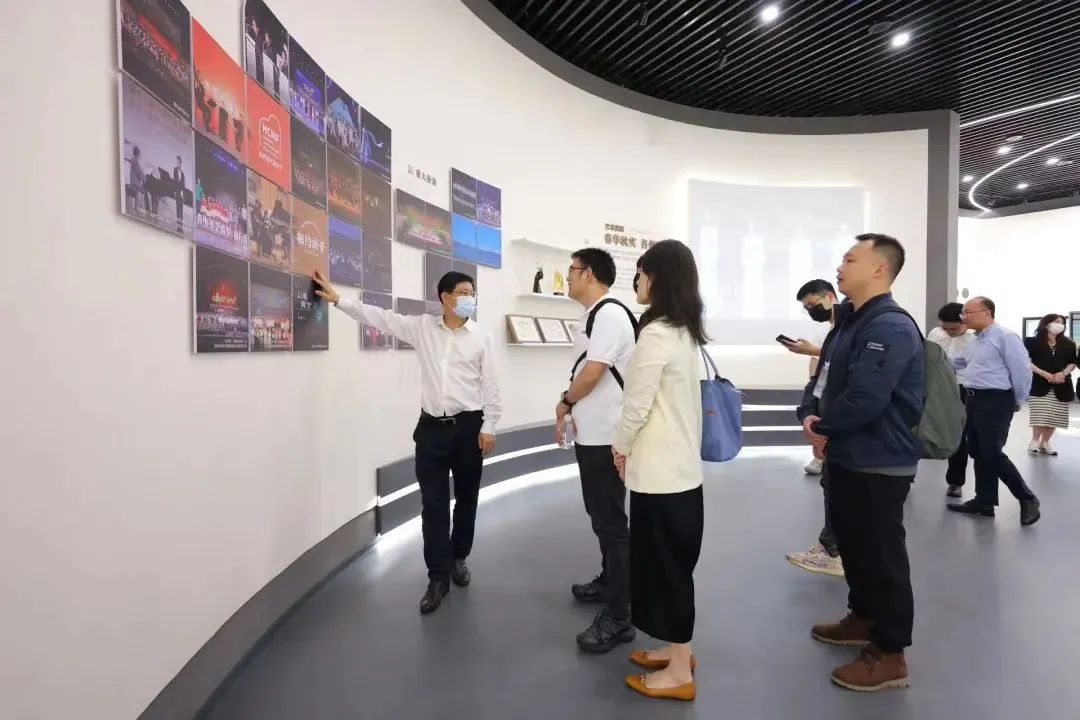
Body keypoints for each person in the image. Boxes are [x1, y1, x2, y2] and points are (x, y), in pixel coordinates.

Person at [313, 269, 502, 614]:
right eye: (463, 293)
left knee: (467, 499)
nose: (469, 299)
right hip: (431, 431)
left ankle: (459, 556)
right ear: (445, 297)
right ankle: (438, 577)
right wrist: (339, 300)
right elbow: (380, 317)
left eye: (472, 293)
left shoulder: (482, 336)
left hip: (469, 429)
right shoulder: (422, 328)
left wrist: (489, 426)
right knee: (433, 505)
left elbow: (490, 385)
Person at [798, 233, 923, 692]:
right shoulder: (849, 321)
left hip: (879, 459)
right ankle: (863, 618)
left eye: (850, 259)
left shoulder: (890, 326)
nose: (839, 267)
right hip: (848, 454)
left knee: (882, 557)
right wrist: (808, 415)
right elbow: (823, 379)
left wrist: (824, 428)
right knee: (854, 547)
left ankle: (890, 654)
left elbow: (867, 398)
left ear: (879, 269)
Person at [613, 240, 706, 702]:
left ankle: (679, 673)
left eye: (642, 271)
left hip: (660, 474)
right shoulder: (685, 331)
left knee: (667, 570)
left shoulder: (655, 334)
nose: (637, 279)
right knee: (673, 566)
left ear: (658, 278)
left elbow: (637, 403)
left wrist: (619, 446)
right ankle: (676, 651)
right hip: (681, 472)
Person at [557, 248, 638, 654]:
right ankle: (610, 582)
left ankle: (620, 615)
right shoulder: (596, 315)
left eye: (572, 270)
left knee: (610, 523)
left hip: (607, 436)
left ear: (588, 273)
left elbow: (593, 372)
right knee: (602, 517)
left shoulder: (608, 314)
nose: (568, 277)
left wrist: (566, 401)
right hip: (594, 435)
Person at [946, 297, 1040, 525]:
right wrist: (933, 357)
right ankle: (984, 501)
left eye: (967, 312)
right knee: (977, 451)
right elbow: (960, 363)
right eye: (962, 313)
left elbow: (1022, 371)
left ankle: (1027, 498)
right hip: (973, 399)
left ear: (987, 313)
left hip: (996, 400)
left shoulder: (1005, 337)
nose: (963, 317)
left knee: (991, 452)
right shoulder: (976, 341)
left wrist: (1018, 399)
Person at [783, 279, 844, 578]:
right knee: (833, 487)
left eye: (813, 304)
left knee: (841, 491)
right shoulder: (832, 331)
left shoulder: (857, 327)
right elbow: (820, 376)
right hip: (829, 417)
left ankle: (833, 551)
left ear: (829, 296)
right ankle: (830, 548)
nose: (811, 311)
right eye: (806, 308)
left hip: (845, 425)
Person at [927, 302, 975, 497]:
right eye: (945, 328)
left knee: (959, 436)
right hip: (936, 387)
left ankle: (955, 481)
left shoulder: (975, 338)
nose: (948, 332)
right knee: (921, 427)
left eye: (953, 329)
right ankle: (907, 472)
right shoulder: (935, 334)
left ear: (964, 322)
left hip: (963, 388)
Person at [1025, 314, 1077, 456]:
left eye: (1062, 323)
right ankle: (1034, 441)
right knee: (1040, 414)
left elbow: (1073, 362)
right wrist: (1043, 373)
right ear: (1046, 324)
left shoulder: (1068, 343)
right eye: (1056, 322)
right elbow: (1026, 360)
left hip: (1061, 384)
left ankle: (1045, 443)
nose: (1060, 325)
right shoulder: (1032, 341)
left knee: (1054, 415)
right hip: (1039, 383)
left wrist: (1063, 373)